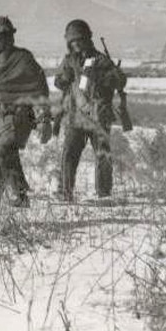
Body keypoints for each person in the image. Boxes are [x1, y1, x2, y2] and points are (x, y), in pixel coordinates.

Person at [0, 16, 51, 207]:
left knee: (5, 150)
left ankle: (20, 194)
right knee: (2, 155)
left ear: (10, 37)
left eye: (1, 37)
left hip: (17, 117)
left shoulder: (23, 59)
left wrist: (44, 119)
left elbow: (39, 90)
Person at [52, 19, 127, 201]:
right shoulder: (69, 61)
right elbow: (58, 82)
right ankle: (65, 192)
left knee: (102, 154)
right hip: (75, 116)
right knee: (69, 153)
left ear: (87, 39)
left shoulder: (101, 60)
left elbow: (120, 81)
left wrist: (101, 76)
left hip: (98, 116)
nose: (76, 43)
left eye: (79, 39)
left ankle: (104, 193)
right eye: (72, 41)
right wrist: (64, 78)